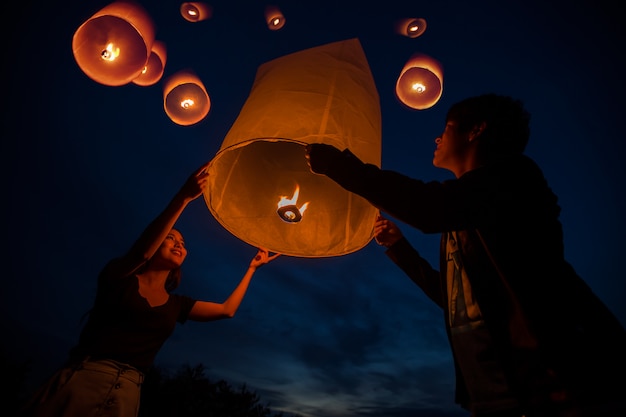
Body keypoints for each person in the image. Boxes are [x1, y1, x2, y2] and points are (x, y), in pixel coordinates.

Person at [305, 94, 626, 417]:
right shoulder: (464, 217)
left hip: (562, 382)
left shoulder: (515, 179)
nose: (437, 137)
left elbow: (430, 207)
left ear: (476, 131)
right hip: (498, 393)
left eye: (446, 127)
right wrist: (399, 247)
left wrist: (339, 165)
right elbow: (451, 299)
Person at [20, 162, 280, 417]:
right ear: (156, 242)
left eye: (183, 242)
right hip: (83, 381)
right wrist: (183, 198)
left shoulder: (176, 304)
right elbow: (142, 253)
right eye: (171, 238)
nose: (179, 244)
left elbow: (227, 310)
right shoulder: (118, 277)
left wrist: (252, 268)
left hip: (128, 394)